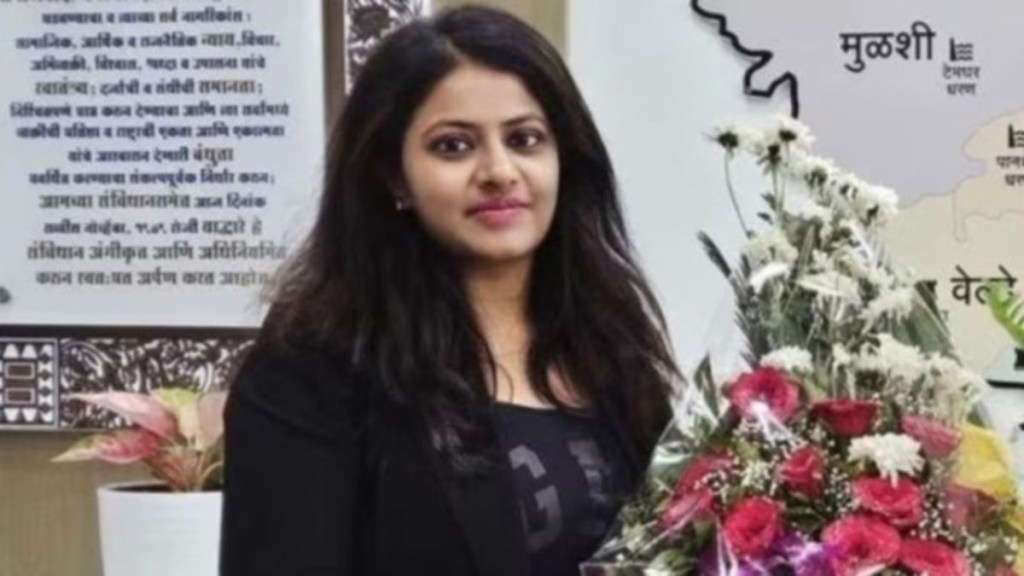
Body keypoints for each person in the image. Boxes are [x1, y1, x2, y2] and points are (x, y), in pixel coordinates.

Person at [219, 5, 678, 576]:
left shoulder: (609, 339)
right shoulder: (315, 364)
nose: (499, 171)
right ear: (394, 175)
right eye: (453, 146)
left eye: (525, 139)